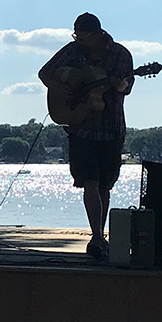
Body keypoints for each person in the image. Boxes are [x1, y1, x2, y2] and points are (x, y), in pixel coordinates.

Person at [39, 13, 134, 258]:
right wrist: (67, 89)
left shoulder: (120, 55)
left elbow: (126, 87)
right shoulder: (72, 51)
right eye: (76, 35)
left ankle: (99, 235)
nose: (78, 40)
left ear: (97, 34)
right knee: (89, 182)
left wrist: (121, 86)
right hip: (81, 126)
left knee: (105, 185)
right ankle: (97, 236)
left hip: (111, 127)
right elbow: (45, 74)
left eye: (82, 36)